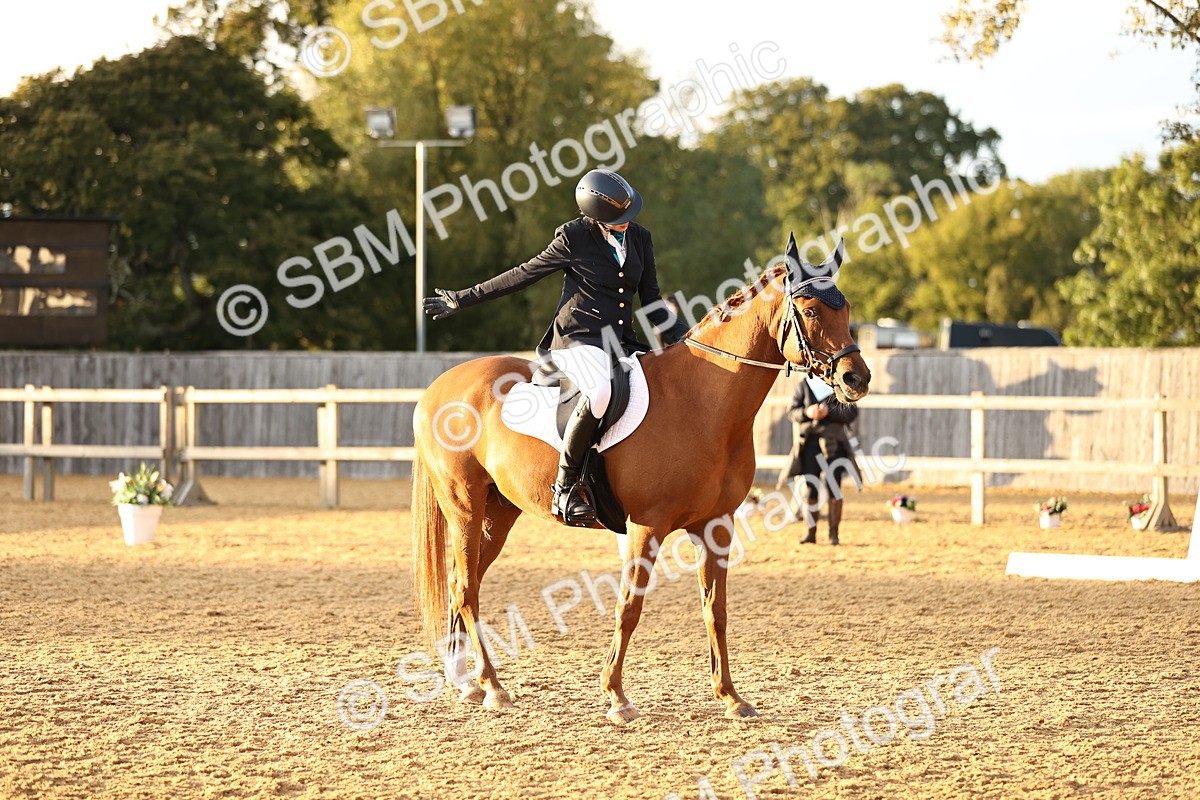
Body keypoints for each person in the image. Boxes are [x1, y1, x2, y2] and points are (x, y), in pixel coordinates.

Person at [422, 169, 688, 525]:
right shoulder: (574, 236)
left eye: (628, 216)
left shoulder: (640, 237)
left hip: (622, 342)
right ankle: (566, 486)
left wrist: (685, 339)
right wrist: (462, 299)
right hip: (579, 339)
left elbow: (652, 298)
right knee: (598, 393)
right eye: (616, 219)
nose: (626, 223)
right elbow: (523, 274)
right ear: (594, 214)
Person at [777, 375, 862, 545]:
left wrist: (829, 411)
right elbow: (792, 411)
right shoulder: (804, 385)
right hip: (810, 445)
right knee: (810, 489)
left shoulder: (838, 385)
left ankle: (833, 534)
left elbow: (852, 411)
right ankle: (810, 532)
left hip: (834, 445)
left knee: (834, 489)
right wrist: (807, 412)